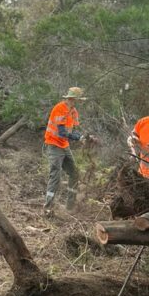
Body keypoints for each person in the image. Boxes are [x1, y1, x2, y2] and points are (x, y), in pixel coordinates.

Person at [44, 86, 88, 215]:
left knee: (74, 173)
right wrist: (79, 137)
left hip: (64, 145)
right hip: (53, 145)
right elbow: (62, 132)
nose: (77, 103)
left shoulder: (73, 111)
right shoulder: (60, 109)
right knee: (55, 175)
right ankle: (48, 207)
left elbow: (71, 130)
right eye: (76, 100)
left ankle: (70, 207)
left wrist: (85, 137)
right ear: (70, 99)